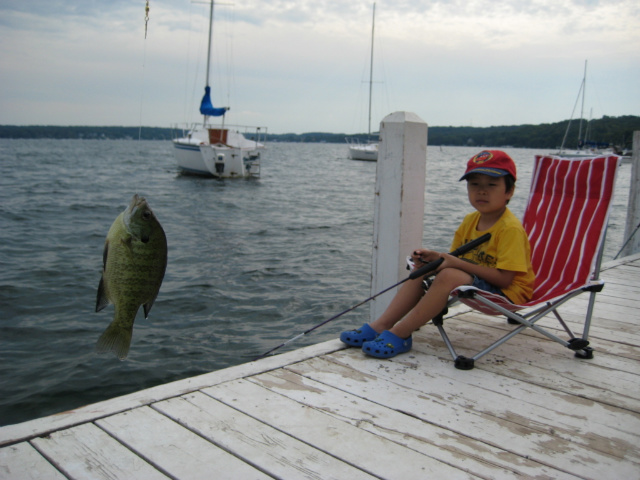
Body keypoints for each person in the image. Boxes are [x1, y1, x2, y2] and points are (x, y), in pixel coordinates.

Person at [340, 150, 536, 359]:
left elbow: (505, 279)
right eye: (475, 184)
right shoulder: (470, 220)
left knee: (449, 275)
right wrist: (436, 258)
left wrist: (451, 263)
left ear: (509, 191)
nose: (482, 191)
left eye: (491, 185)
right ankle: (381, 324)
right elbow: (457, 261)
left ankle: (401, 333)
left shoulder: (510, 229)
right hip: (479, 282)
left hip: (508, 293)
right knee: (424, 267)